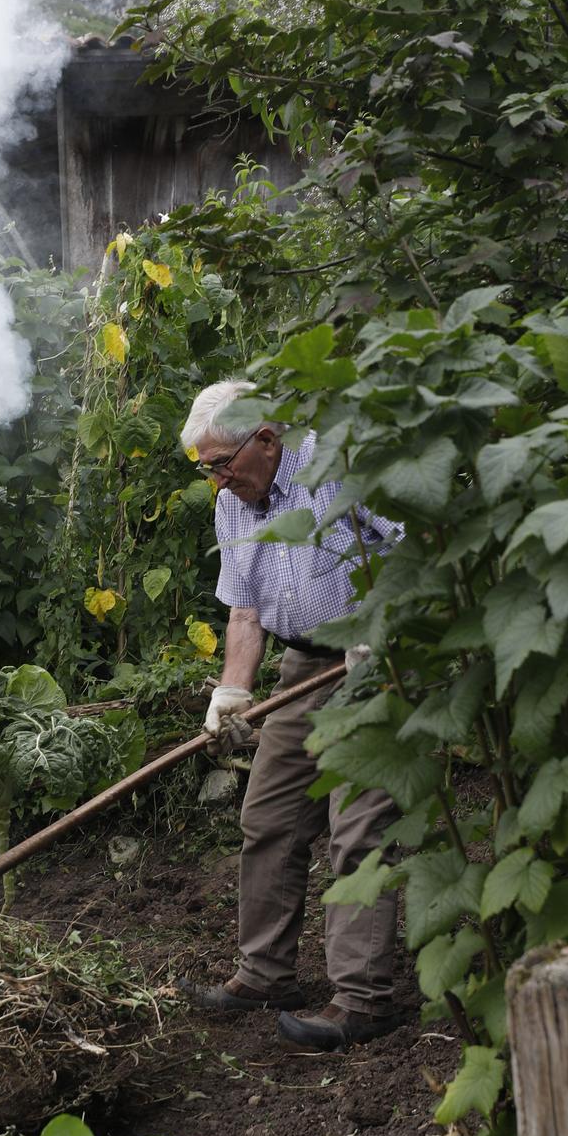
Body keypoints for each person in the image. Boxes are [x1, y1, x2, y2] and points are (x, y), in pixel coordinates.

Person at [178, 379, 402, 1052]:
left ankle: (362, 1000)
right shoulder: (234, 502)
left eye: (221, 464)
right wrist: (231, 694)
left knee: (356, 825)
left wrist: (384, 623)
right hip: (305, 667)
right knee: (268, 816)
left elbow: (413, 545)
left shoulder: (337, 467)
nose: (216, 482)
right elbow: (243, 610)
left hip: (373, 661)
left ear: (266, 440)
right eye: (204, 470)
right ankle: (265, 973)